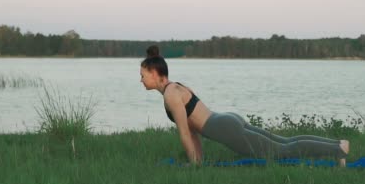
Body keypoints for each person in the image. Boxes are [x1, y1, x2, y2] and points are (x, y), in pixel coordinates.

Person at [140, 45, 350, 166]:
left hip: (225, 128)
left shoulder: (170, 96)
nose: (141, 80)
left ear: (154, 73)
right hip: (226, 120)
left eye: (142, 75)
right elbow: (194, 130)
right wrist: (198, 162)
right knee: (285, 142)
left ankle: (338, 150)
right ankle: (337, 143)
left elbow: (185, 133)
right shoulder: (177, 86)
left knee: (282, 152)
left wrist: (193, 165)